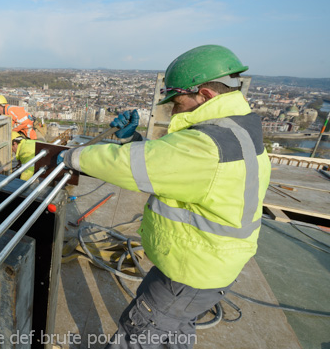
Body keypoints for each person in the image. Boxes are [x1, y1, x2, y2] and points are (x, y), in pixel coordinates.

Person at [59, 45, 271, 348]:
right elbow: (177, 169)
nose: (173, 108)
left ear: (205, 95)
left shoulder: (208, 145)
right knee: (175, 327)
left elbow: (133, 166)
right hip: (207, 265)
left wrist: (73, 157)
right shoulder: (237, 131)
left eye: (178, 100)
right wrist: (133, 140)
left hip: (190, 270)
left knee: (138, 333)